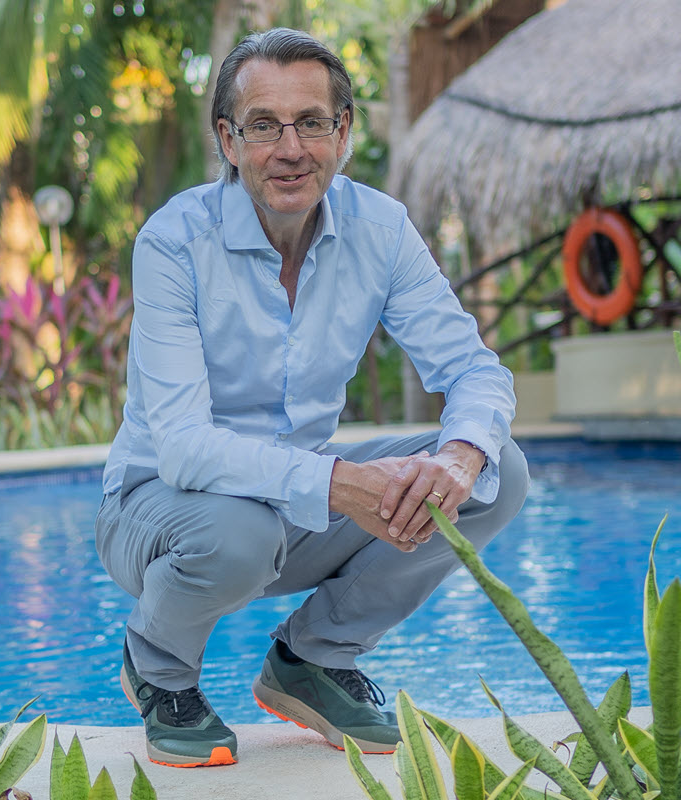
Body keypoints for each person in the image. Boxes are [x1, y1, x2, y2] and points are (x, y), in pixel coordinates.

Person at [95, 27, 529, 769]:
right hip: (160, 508)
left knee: (497, 474)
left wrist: (456, 457)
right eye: (264, 125)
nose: (290, 148)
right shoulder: (174, 242)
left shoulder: (380, 229)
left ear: (344, 132)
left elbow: (473, 370)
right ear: (229, 141)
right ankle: (159, 666)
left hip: (294, 506)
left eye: (312, 122)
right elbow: (183, 446)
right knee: (240, 533)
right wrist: (340, 484)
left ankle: (312, 660)